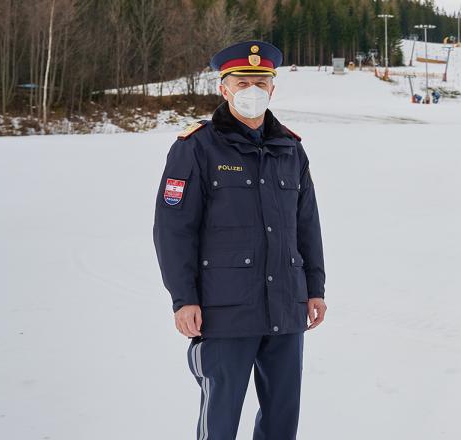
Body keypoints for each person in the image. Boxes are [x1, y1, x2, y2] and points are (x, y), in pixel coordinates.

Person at [153, 40, 327, 440]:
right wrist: (184, 298)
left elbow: (307, 226)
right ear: (223, 87)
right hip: (224, 310)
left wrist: (313, 289)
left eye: (260, 81)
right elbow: (173, 229)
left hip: (286, 306)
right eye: (242, 80)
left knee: (282, 418)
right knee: (220, 419)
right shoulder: (195, 147)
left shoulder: (290, 150)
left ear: (272, 89)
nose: (252, 89)